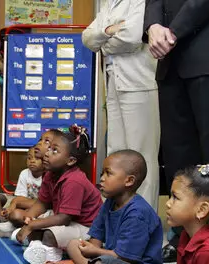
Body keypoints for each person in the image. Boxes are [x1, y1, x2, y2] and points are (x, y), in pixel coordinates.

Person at [144, 0, 209, 259]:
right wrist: (152, 26)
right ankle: (187, 238)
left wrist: (172, 31)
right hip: (171, 60)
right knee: (177, 157)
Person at [44, 150, 164, 264]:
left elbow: (125, 258)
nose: (102, 178)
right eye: (102, 173)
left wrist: (95, 252)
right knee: (73, 244)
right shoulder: (111, 202)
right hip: (111, 259)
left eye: (108, 173)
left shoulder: (138, 213)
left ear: (129, 181)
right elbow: (97, 235)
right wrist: (91, 248)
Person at [82, 0, 160, 210]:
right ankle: (115, 217)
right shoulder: (109, 3)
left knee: (141, 157)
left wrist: (103, 41)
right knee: (116, 153)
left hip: (139, 82)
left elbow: (132, 37)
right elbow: (87, 37)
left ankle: (143, 223)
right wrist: (110, 30)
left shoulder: (142, 1)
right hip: (113, 81)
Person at [12, 127, 103, 264]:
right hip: (64, 217)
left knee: (49, 233)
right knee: (32, 224)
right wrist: (28, 220)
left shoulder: (74, 181)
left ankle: (49, 251)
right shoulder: (50, 173)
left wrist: (33, 225)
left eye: (54, 150)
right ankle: (37, 245)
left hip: (85, 226)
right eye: (49, 148)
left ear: (71, 160)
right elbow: (42, 203)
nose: (47, 153)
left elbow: (64, 217)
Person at [0, 146, 43, 238]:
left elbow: (43, 203)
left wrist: (16, 203)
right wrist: (11, 207)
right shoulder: (24, 173)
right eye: (29, 158)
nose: (32, 161)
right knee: (14, 212)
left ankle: (12, 228)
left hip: (42, 209)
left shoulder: (48, 176)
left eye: (37, 158)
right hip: (28, 206)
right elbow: (19, 198)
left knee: (17, 211)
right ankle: (12, 227)